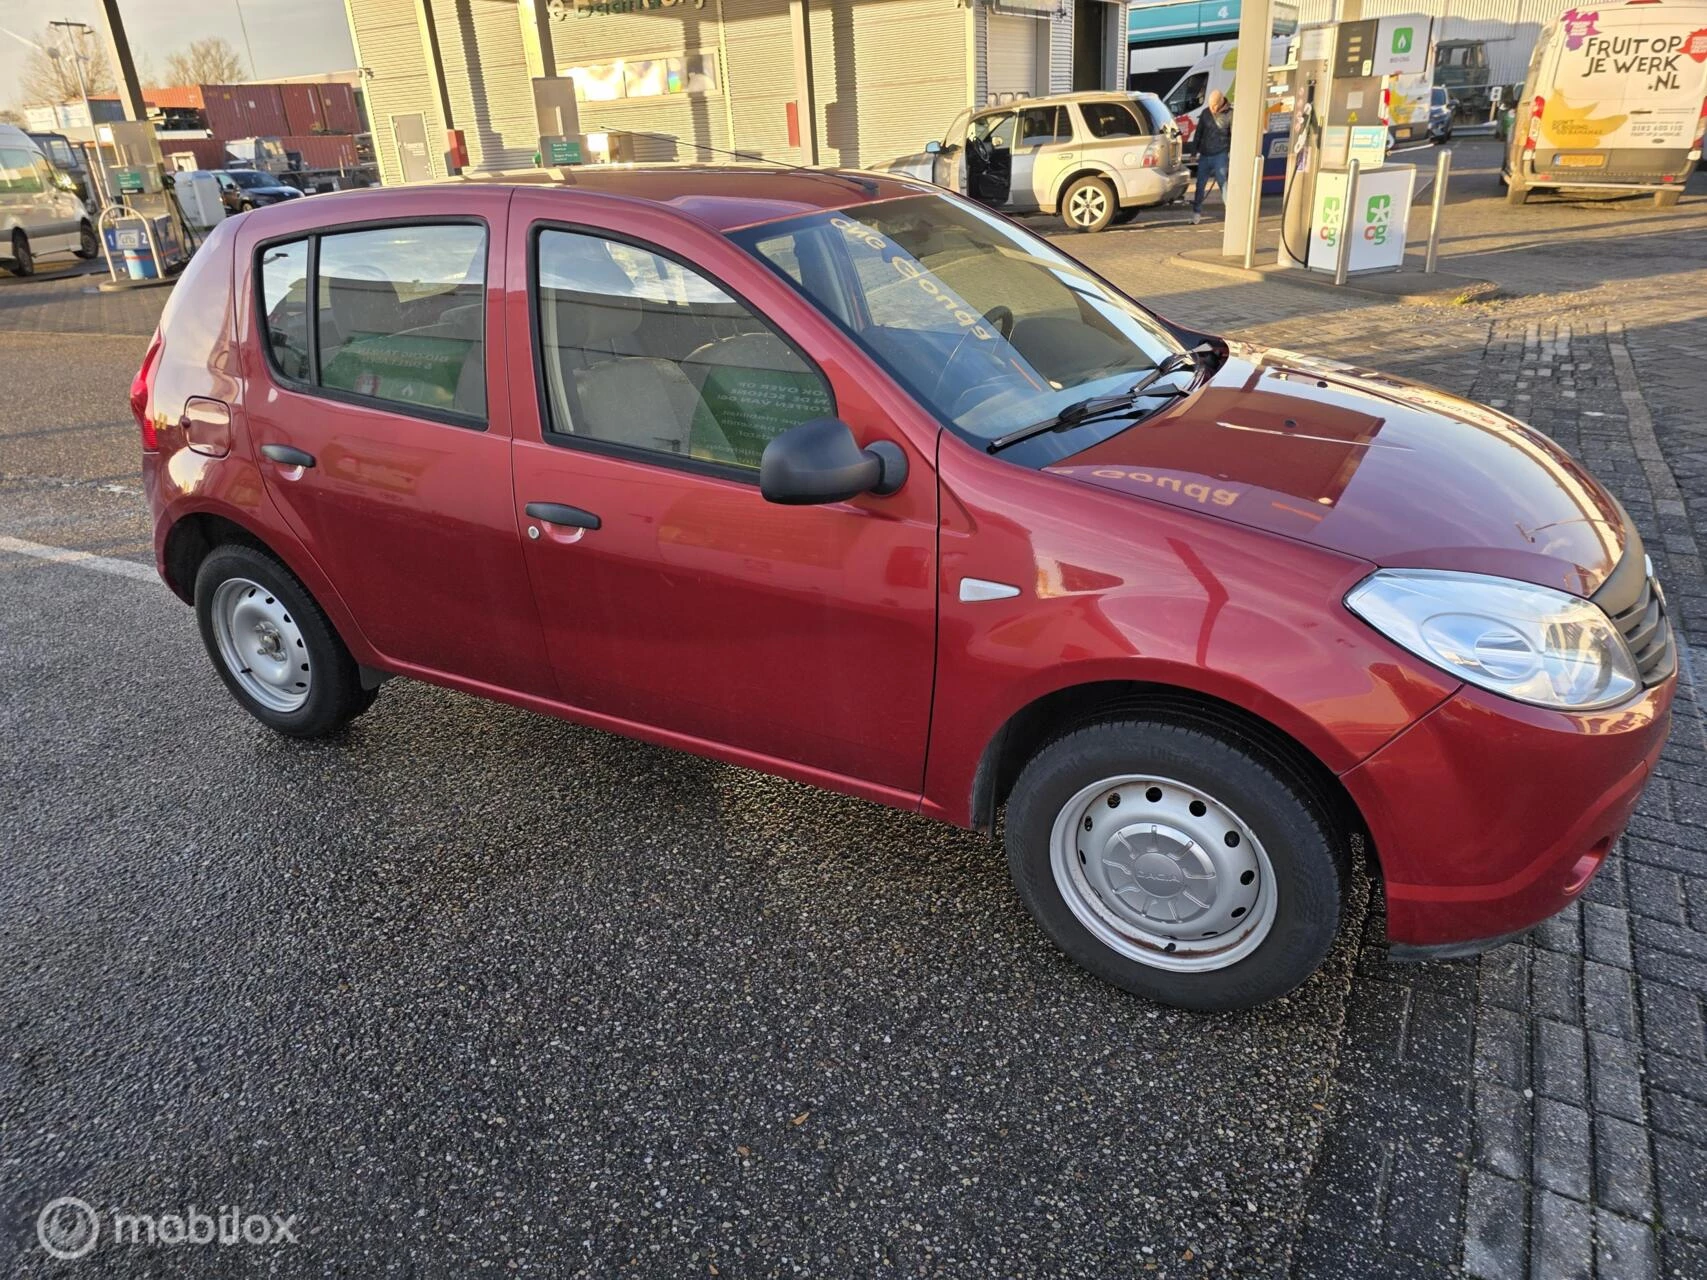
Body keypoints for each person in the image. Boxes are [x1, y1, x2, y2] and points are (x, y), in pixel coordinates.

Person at [1192, 90, 1233, 224]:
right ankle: (1196, 213)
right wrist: (1194, 151)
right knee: (1200, 185)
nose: (1212, 109)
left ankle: (1230, 212)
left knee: (1223, 183)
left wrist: (1231, 154)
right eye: (1210, 106)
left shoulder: (1230, 114)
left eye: (1214, 106)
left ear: (1221, 102)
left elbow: (1233, 136)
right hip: (1205, 154)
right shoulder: (1205, 113)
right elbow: (1198, 132)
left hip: (1220, 154)